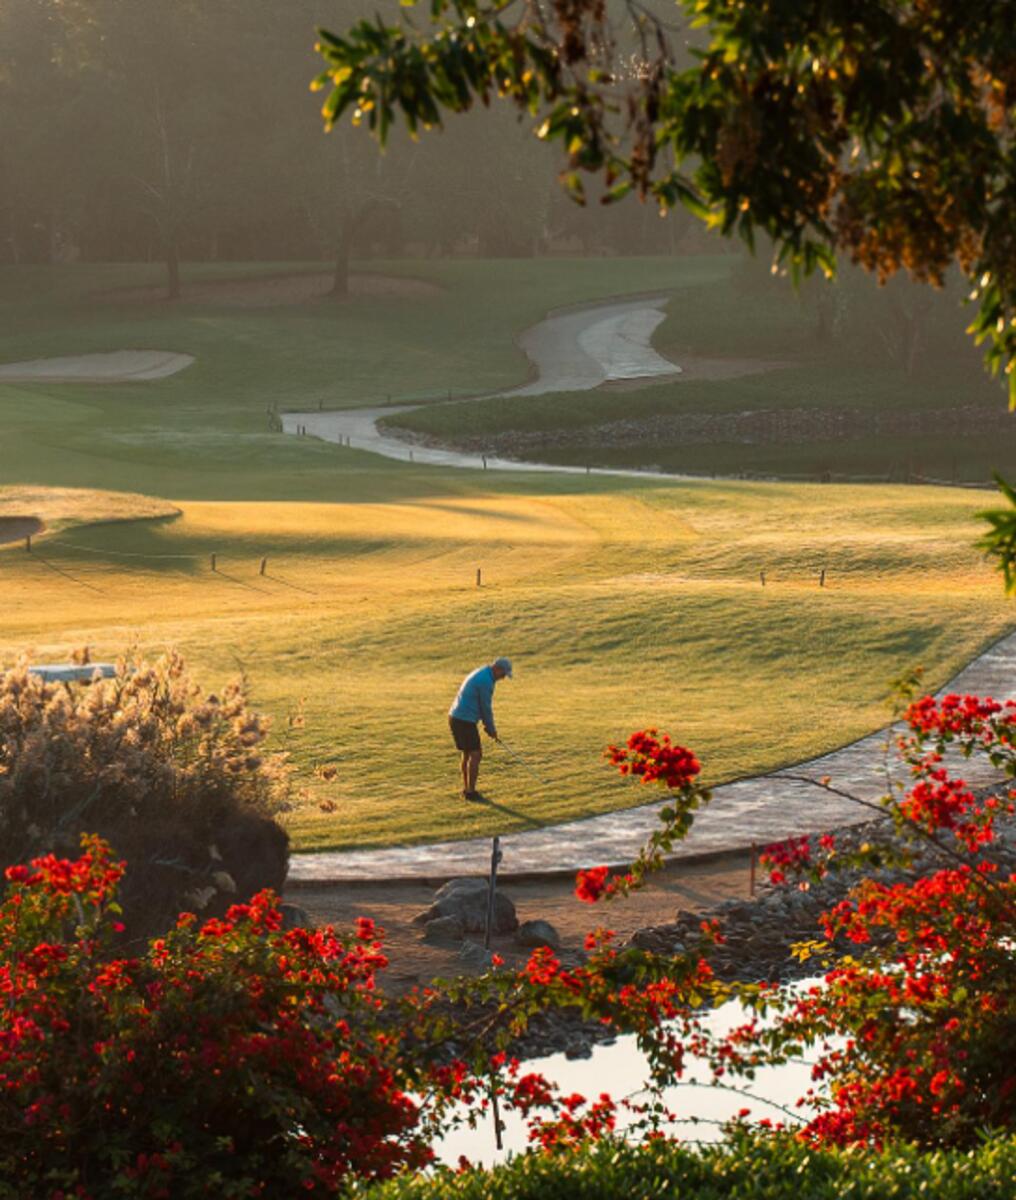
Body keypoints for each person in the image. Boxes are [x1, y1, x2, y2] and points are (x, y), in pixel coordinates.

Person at [448, 657, 512, 801]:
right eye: (503, 674)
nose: (503, 678)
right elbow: (486, 708)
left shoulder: (483, 673)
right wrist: (491, 729)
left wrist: (487, 727)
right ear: (497, 669)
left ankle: (467, 789)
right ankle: (470, 792)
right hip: (464, 720)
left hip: (457, 717)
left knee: (467, 754)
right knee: (476, 755)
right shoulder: (486, 681)